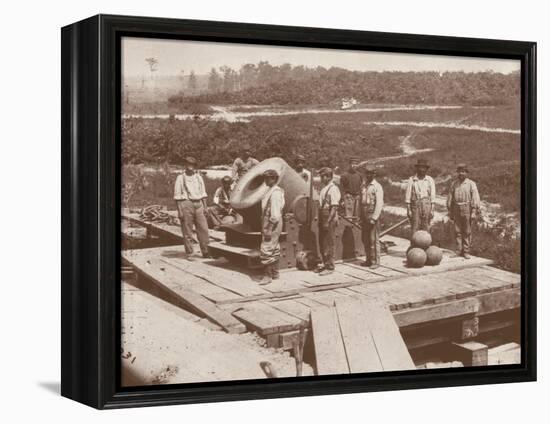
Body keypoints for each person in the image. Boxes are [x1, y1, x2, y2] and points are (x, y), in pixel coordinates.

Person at [173, 156, 210, 257]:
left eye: (192, 164)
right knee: (187, 230)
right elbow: (177, 196)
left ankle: (206, 251)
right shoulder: (180, 178)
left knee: (204, 229)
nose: (190, 166)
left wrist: (205, 207)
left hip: (199, 204)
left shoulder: (198, 177)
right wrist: (180, 211)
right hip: (186, 203)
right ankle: (190, 252)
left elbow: (203, 193)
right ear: (185, 165)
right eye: (188, 164)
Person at [446, 163, 481, 259]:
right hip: (456, 208)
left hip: (467, 208)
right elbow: (450, 198)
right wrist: (450, 210)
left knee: (467, 231)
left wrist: (473, 211)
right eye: (460, 171)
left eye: (463, 171)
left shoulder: (471, 184)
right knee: (457, 230)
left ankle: (466, 251)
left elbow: (475, 198)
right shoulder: (454, 183)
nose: (461, 173)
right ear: (457, 173)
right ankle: (458, 250)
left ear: (467, 173)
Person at [259, 169, 286, 285]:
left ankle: (267, 275)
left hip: (272, 222)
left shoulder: (275, 193)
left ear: (274, 179)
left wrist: (269, 229)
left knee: (267, 247)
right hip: (271, 221)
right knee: (274, 247)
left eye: (267, 178)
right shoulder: (271, 191)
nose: (265, 180)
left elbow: (275, 214)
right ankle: (275, 273)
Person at [316, 167, 341, 276]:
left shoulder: (333, 189)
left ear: (329, 177)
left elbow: (334, 207)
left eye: (323, 176)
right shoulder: (325, 188)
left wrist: (328, 221)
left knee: (329, 243)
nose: (321, 178)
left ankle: (330, 267)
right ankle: (325, 264)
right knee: (323, 242)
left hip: (328, 217)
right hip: (323, 215)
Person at [360, 165, 384, 269]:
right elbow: (361, 201)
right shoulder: (364, 186)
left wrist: (374, 218)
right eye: (367, 173)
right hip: (364, 214)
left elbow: (379, 203)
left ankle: (375, 261)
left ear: (374, 174)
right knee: (365, 239)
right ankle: (368, 259)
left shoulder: (377, 186)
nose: (368, 175)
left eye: (371, 173)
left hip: (372, 213)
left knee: (373, 239)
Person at [405, 158, 436, 235]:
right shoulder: (412, 179)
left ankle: (425, 244)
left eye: (424, 168)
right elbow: (408, 196)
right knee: (415, 225)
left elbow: (432, 196)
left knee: (426, 226)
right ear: (417, 168)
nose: (422, 170)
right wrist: (408, 210)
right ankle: (414, 245)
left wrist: (432, 209)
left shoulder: (429, 180)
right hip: (415, 205)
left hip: (426, 205)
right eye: (420, 167)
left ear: (426, 169)